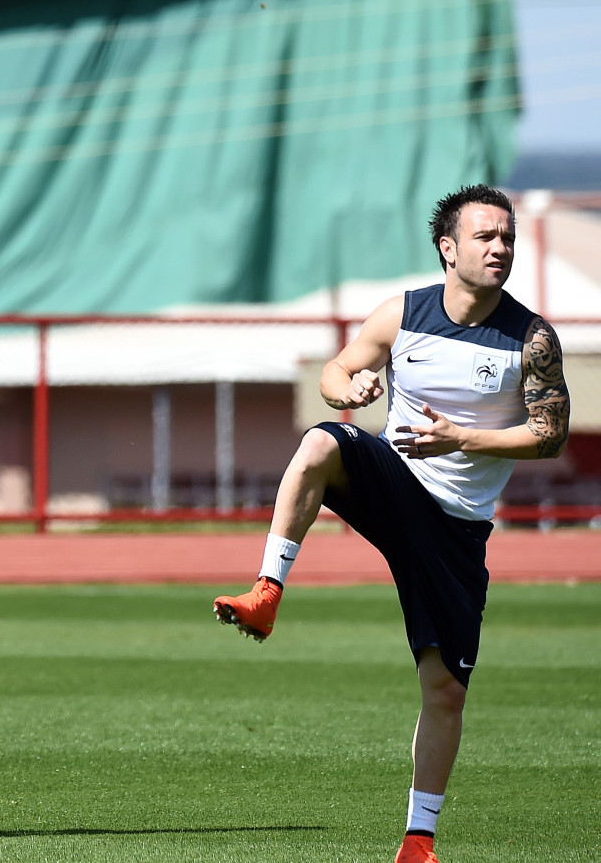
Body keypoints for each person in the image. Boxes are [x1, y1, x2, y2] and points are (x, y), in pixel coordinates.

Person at [214, 184, 571, 863]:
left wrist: (464, 437)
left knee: (446, 691)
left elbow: (550, 434)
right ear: (448, 248)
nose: (500, 248)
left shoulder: (532, 338)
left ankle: (417, 841)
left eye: (507, 238)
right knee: (321, 442)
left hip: (457, 529)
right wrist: (349, 388)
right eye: (485, 237)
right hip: (397, 483)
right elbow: (337, 369)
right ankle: (267, 591)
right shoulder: (403, 314)